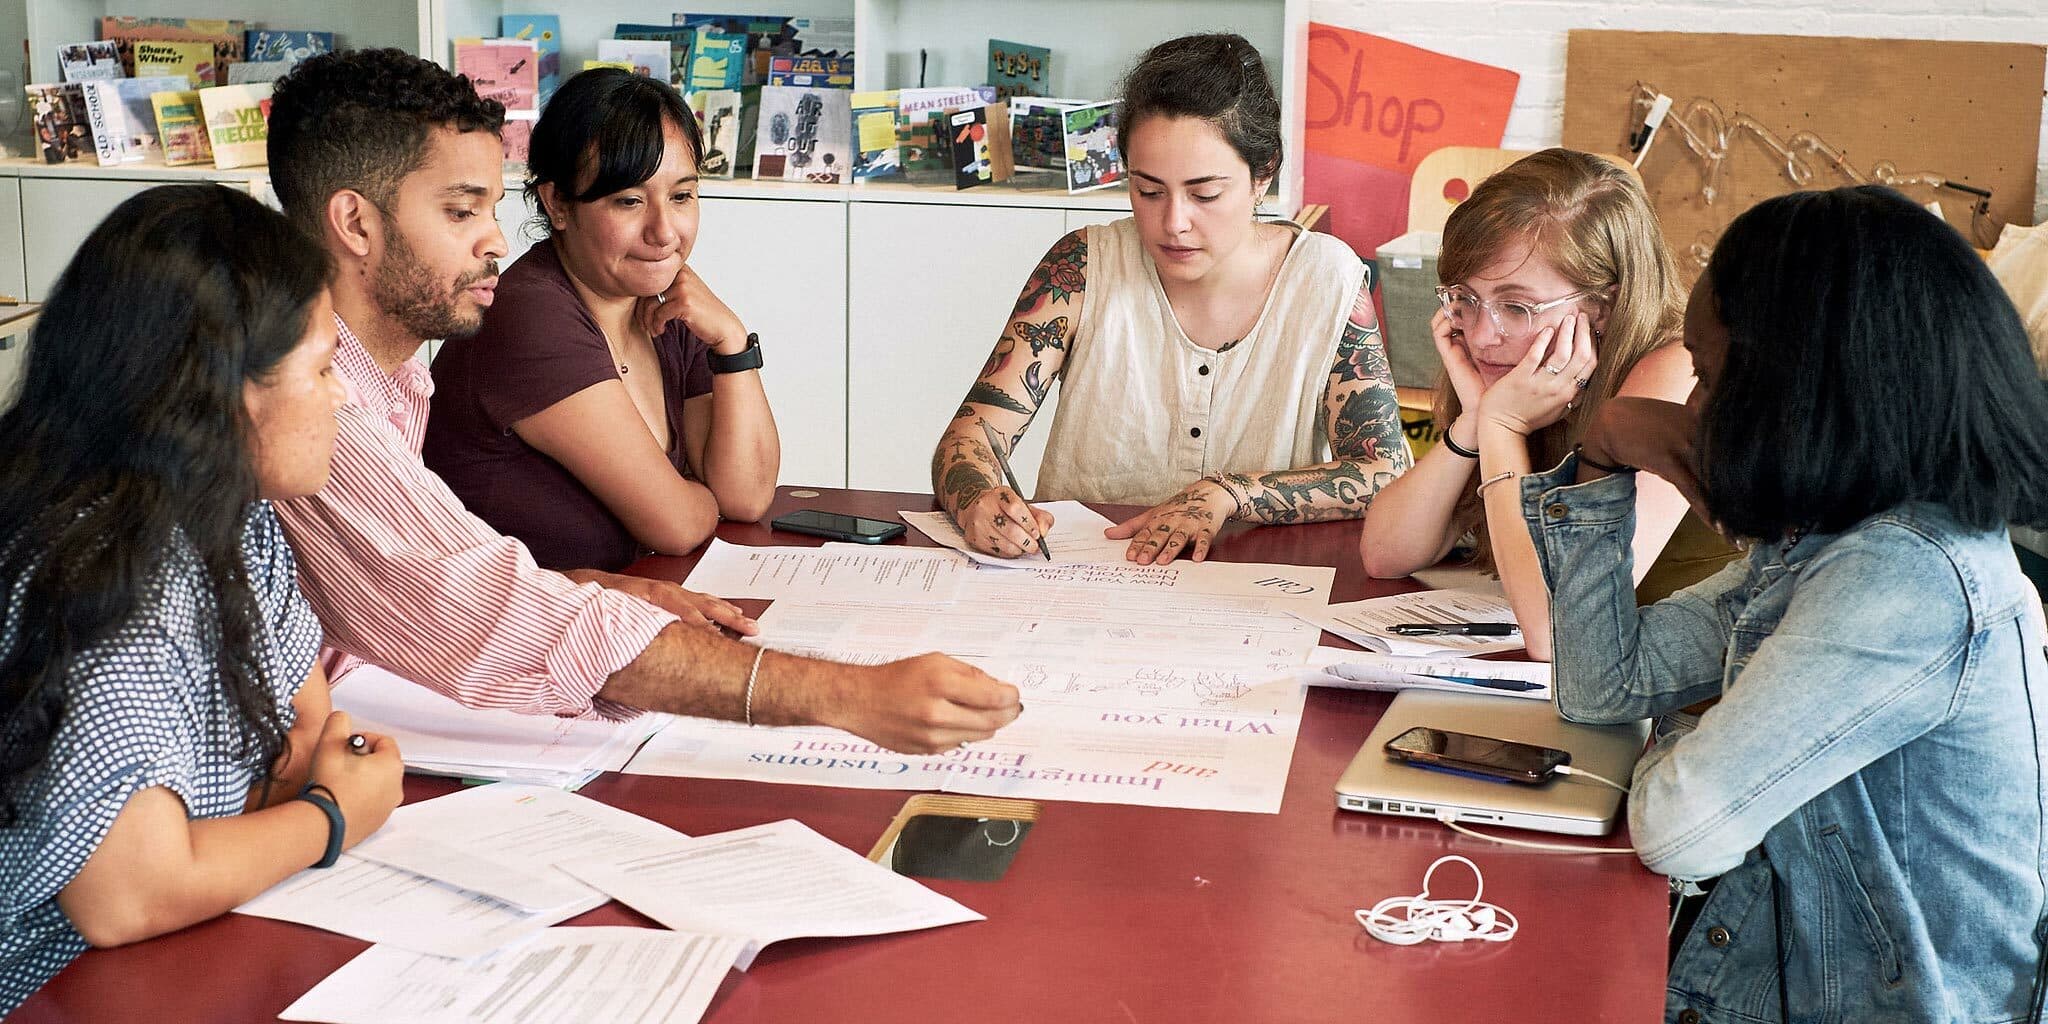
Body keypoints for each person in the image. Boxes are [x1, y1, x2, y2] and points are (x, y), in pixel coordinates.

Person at [265, 49, 1019, 753]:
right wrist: (846, 696)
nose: (495, 241)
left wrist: (590, 584)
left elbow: (427, 578)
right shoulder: (315, 406)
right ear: (356, 223)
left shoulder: (395, 380)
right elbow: (484, 608)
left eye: (492, 209)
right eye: (462, 213)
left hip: (368, 717)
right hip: (340, 746)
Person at [1530, 185, 2048, 1021]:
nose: (1692, 409)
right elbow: (1602, 689)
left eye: (1706, 373)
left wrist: (1686, 737)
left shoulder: (1904, 578)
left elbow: (1678, 827)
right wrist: (1600, 453)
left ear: (1800, 382)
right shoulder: (1835, 544)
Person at [0, 185, 404, 1012]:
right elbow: (126, 897)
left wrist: (311, 790)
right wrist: (331, 819)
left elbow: (305, 735)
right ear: (222, 395)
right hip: (62, 992)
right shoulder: (106, 574)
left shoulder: (233, 517)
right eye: (323, 369)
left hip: (183, 952)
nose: (346, 396)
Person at [930, 32, 1410, 566]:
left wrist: (1228, 493)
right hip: (1074, 580)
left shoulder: (1326, 279)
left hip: (1249, 593)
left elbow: (1381, 471)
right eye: (1148, 191)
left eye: (1205, 194)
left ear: (1263, 174)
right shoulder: (1082, 267)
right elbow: (972, 436)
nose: (1174, 223)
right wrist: (976, 498)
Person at [1358, 148, 1725, 660]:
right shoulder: (1521, 381)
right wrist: (1475, 421)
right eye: (1464, 298)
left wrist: (1503, 428)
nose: (1484, 335)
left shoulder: (1677, 373)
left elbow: (1562, 630)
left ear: (1602, 304)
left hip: (1703, 709)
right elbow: (1385, 554)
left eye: (1517, 306)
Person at [425, 69, 777, 572]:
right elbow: (674, 525)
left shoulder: (666, 305)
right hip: (519, 635)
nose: (663, 232)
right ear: (558, 204)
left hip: (621, 610)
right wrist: (698, 496)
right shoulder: (530, 314)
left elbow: (746, 494)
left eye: (681, 197)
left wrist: (732, 342)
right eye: (629, 201)